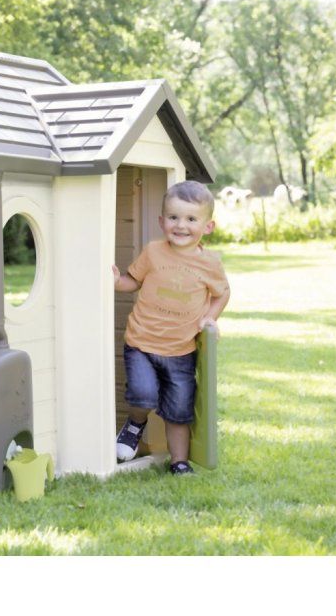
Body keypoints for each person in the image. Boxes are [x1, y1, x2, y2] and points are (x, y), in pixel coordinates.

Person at [111, 180, 230, 475]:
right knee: (143, 394)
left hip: (181, 351)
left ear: (208, 226)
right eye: (174, 217)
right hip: (141, 342)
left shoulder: (210, 264)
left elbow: (223, 293)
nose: (181, 225)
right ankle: (135, 424)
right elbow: (133, 281)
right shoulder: (153, 252)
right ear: (161, 221)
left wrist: (210, 317)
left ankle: (179, 461)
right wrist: (115, 281)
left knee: (179, 410)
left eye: (191, 219)